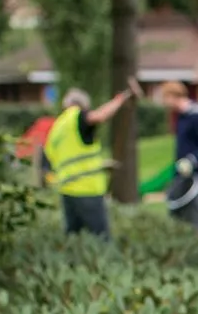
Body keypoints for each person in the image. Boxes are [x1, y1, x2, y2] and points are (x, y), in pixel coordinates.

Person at [43, 82, 138, 238]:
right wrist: (120, 100)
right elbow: (99, 116)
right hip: (86, 189)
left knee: (73, 237)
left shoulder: (57, 127)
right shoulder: (76, 116)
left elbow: (58, 157)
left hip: (67, 190)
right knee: (101, 238)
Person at [161, 81, 198, 238]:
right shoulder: (180, 117)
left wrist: (192, 160)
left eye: (166, 98)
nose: (165, 103)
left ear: (174, 96)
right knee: (176, 212)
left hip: (194, 175)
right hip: (180, 173)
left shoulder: (196, 116)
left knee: (197, 214)